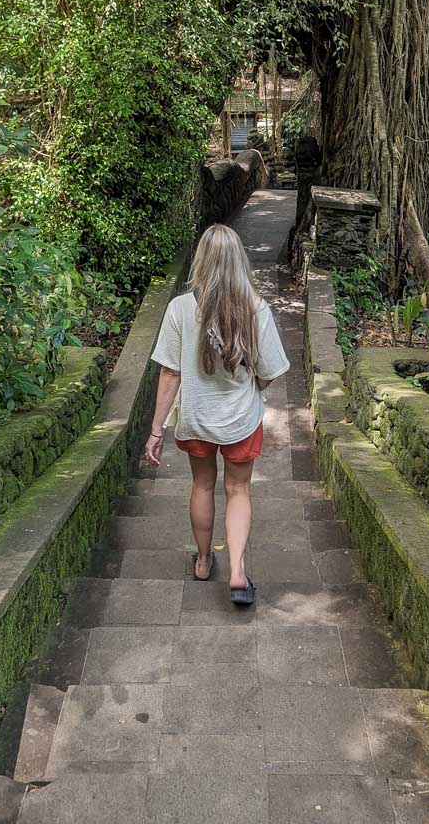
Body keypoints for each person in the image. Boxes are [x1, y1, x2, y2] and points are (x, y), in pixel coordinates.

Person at [143, 223, 290, 605]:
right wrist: (254, 390)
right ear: (238, 260)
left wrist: (156, 429)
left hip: (196, 419)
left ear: (201, 262)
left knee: (202, 486)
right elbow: (271, 372)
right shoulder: (256, 308)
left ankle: (205, 560)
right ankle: (238, 572)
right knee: (238, 490)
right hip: (241, 420)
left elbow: (170, 372)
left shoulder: (180, 309)